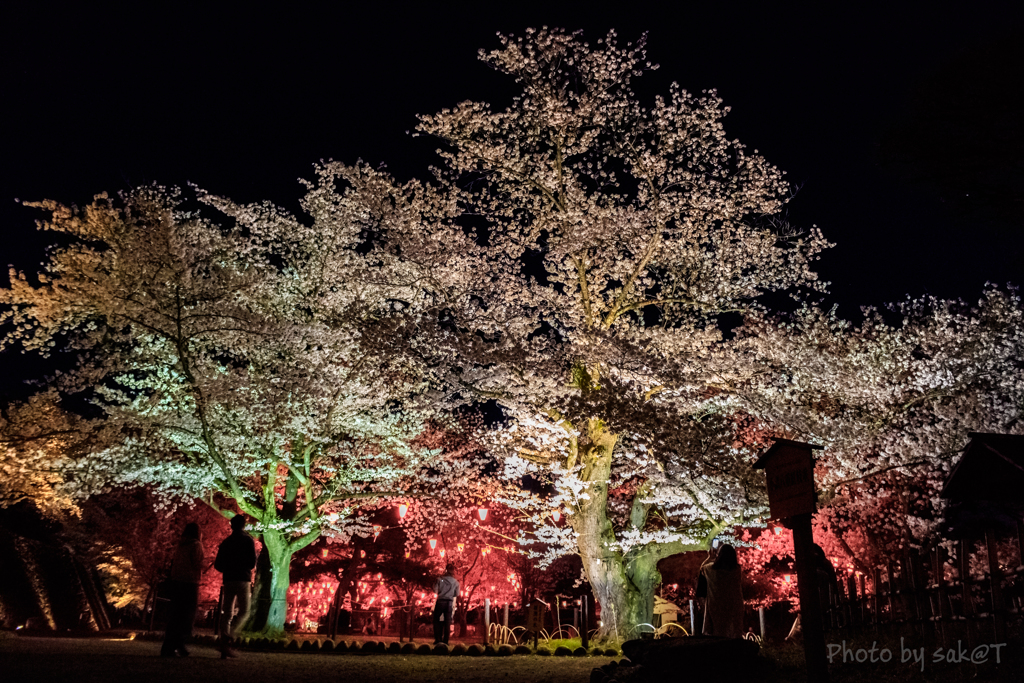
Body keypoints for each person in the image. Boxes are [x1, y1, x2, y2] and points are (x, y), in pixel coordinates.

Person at [214, 514, 257, 659]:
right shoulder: (247, 540)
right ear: (244, 525)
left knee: (227, 613)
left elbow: (218, 564)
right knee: (245, 611)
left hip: (229, 579)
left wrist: (228, 568)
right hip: (243, 578)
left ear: (231, 525)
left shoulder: (226, 542)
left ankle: (224, 640)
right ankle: (229, 637)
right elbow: (252, 563)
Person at [161, 522, 204, 657]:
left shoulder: (180, 545)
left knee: (175, 615)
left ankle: (169, 646)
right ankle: (179, 643)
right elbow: (197, 563)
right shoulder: (196, 545)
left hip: (177, 581)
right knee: (187, 615)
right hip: (190, 583)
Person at [698, 542, 744, 638]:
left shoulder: (710, 570)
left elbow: (702, 568)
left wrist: (709, 557)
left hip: (716, 606)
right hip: (733, 606)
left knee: (717, 633)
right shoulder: (737, 570)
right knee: (733, 633)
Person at [432, 563, 460, 645]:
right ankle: (446, 640)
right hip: (449, 602)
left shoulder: (439, 579)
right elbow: (457, 594)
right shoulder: (456, 582)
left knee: (436, 620)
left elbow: (435, 590)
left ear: (445, 570)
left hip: (440, 601)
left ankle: (438, 639)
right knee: (447, 622)